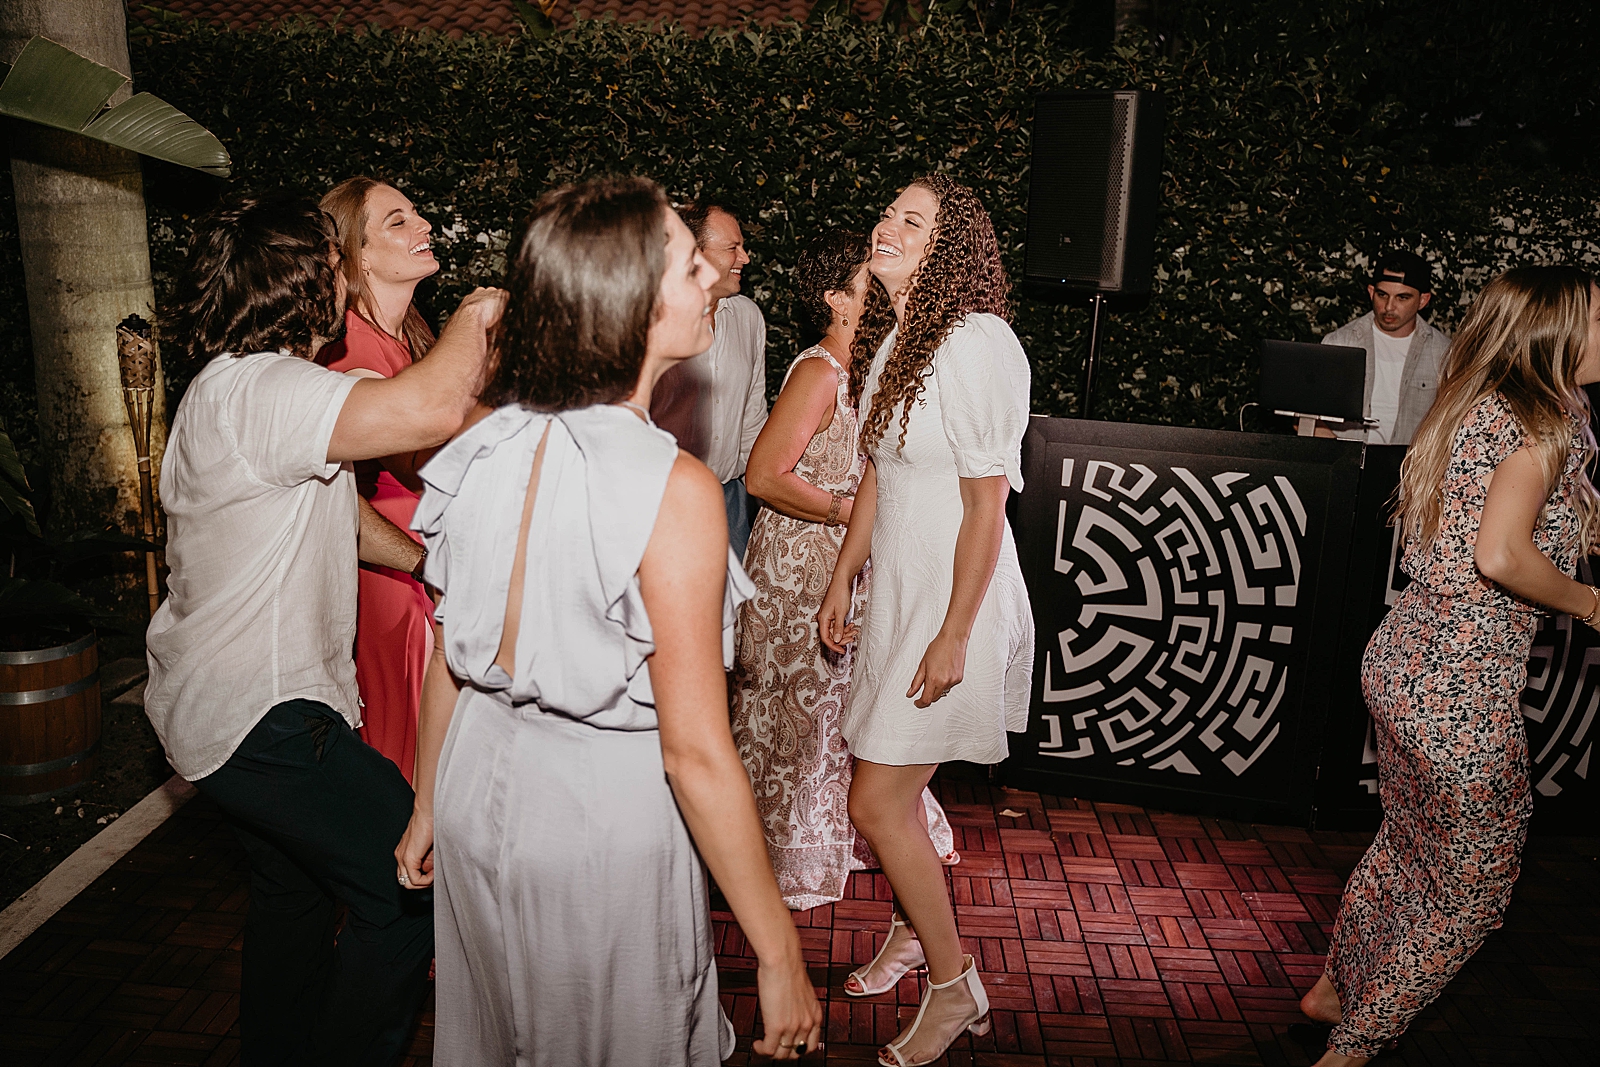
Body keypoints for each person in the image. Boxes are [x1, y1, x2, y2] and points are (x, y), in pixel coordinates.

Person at [392, 177, 822, 1065]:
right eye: (683, 258)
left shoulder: (485, 438)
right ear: (626, 300)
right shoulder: (676, 489)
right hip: (600, 823)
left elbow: (451, 650)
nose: (709, 272)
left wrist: (430, 800)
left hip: (479, 790)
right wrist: (777, 950)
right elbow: (696, 752)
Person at [143, 192, 504, 1066]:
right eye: (334, 263)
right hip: (261, 716)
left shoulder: (234, 387)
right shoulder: (268, 386)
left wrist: (420, 563)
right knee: (408, 886)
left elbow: (335, 514)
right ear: (310, 281)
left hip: (222, 710)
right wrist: (479, 309)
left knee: (294, 902)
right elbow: (427, 409)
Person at [1299, 266, 1600, 1066]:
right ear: (1556, 334)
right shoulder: (1539, 427)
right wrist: (1591, 604)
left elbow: (1500, 520)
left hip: (1404, 658)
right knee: (1473, 894)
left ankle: (1334, 989)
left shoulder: (1480, 402)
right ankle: (1351, 1048)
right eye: (1598, 318)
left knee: (1407, 845)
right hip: (1460, 688)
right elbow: (1500, 554)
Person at [817, 175, 1034, 1066]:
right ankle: (917, 932)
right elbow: (879, 472)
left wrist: (953, 630)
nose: (887, 225)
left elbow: (988, 505)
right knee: (890, 789)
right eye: (887, 211)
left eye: (913, 219)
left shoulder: (978, 341)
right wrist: (843, 578)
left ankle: (955, 988)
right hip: (898, 597)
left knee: (878, 797)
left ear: (949, 249)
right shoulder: (896, 341)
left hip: (957, 600)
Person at [734, 230, 958, 911]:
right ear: (837, 299)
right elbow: (764, 474)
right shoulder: (818, 371)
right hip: (799, 564)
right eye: (867, 283)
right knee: (791, 712)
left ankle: (837, 836)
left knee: (833, 714)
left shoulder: (872, 367)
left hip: (844, 565)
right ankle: (770, 851)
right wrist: (843, 510)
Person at [316, 176, 440, 783]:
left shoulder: (412, 337)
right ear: (355, 255)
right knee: (407, 740)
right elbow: (428, 461)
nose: (422, 226)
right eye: (399, 221)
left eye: (417, 214)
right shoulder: (348, 353)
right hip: (392, 572)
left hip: (428, 552)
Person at [648, 200, 768, 558]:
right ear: (694, 254)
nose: (744, 258)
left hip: (729, 500)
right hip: (661, 500)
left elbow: (752, 418)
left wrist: (762, 502)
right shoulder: (651, 320)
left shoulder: (747, 317)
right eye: (732, 248)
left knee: (728, 613)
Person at [1317, 250, 1451, 445]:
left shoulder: (1443, 353)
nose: (1389, 307)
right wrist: (1340, 455)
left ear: (1423, 300)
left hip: (1411, 469)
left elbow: (1454, 423)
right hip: (1345, 466)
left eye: (1402, 298)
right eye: (1382, 295)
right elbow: (1306, 416)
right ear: (1371, 292)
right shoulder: (1339, 343)